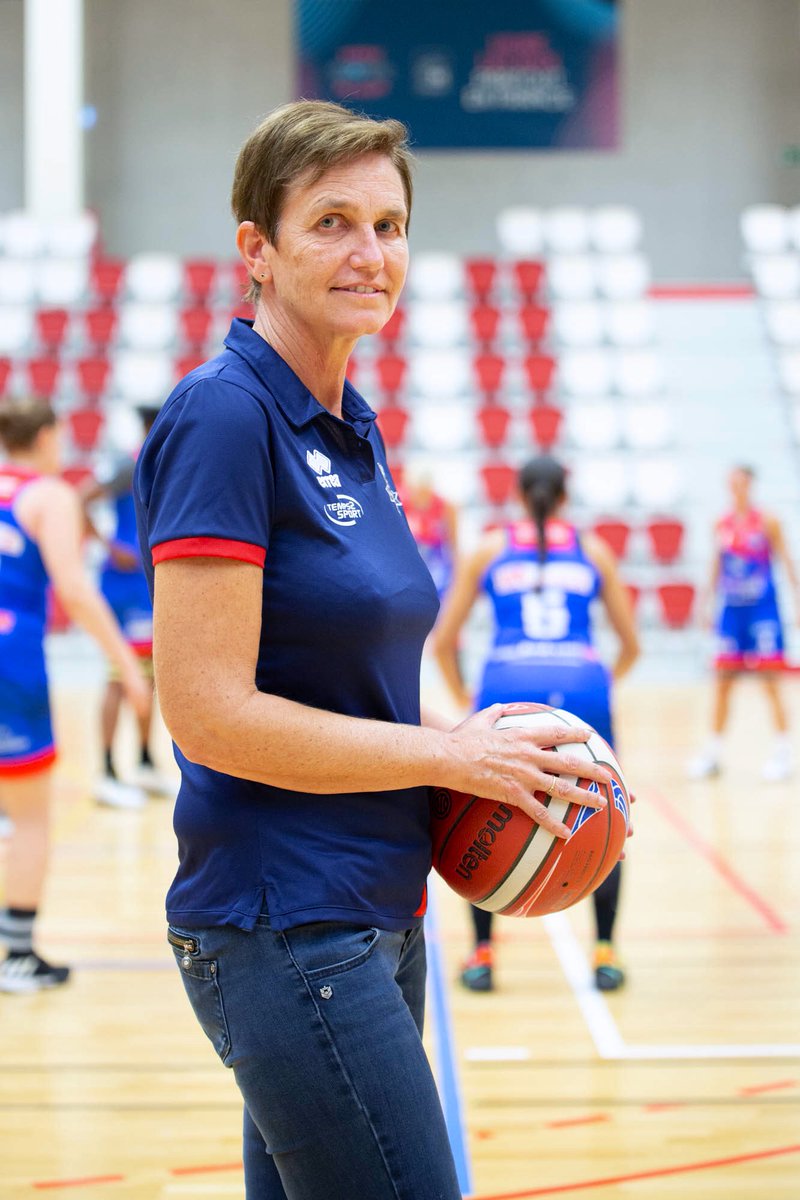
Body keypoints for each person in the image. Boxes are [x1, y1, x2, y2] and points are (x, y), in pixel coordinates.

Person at [133, 100, 613, 1200]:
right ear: (255, 249)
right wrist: (452, 759)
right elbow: (207, 712)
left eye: (388, 226)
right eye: (332, 223)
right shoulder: (224, 416)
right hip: (284, 921)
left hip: (372, 908)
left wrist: (466, 748)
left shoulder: (350, 426)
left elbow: (355, 679)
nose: (369, 253)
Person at [433, 455, 639, 993]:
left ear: (519, 497)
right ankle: (605, 952)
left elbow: (445, 637)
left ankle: (482, 955)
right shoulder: (592, 551)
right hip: (582, 687)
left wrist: (464, 696)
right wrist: (599, 682)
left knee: (484, 809)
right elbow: (631, 644)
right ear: (565, 497)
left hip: (507, 687)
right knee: (604, 814)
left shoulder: (490, 549)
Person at [0, 399, 149, 992]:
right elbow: (76, 590)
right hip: (13, 661)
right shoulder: (48, 495)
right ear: (49, 436)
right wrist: (127, 666)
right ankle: (17, 954)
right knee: (31, 818)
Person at [81, 406, 177, 809]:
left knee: (149, 677)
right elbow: (81, 496)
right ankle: (105, 771)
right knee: (120, 677)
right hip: (122, 586)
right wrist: (107, 545)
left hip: (146, 583)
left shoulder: (165, 462)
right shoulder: (127, 464)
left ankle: (143, 760)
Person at [688, 464, 800, 782]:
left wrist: (797, 601)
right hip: (731, 610)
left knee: (770, 680)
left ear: (750, 484)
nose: (736, 487)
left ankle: (782, 752)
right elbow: (715, 564)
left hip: (763, 609)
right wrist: (705, 602)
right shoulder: (720, 523)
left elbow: (787, 560)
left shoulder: (768, 521)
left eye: (741, 482)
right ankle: (712, 752)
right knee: (722, 681)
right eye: (731, 481)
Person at [399, 459, 458, 600]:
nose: (420, 493)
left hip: (437, 567)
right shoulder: (400, 504)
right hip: (410, 564)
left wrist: (456, 574)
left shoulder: (446, 507)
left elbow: (454, 545)